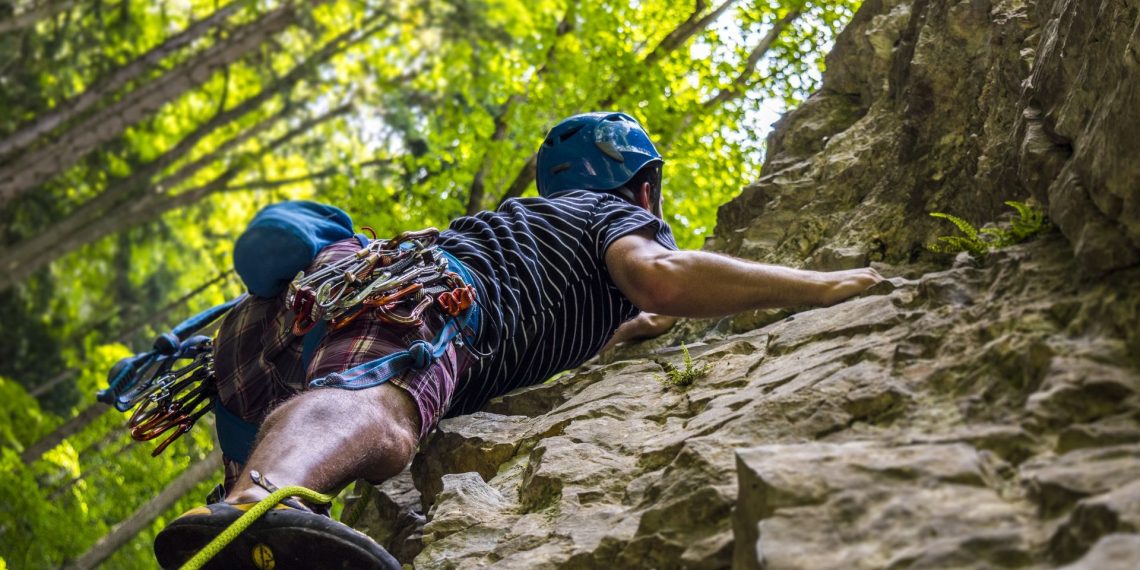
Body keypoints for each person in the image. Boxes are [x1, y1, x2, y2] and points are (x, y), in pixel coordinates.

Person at [153, 111, 882, 569]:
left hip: (285, 318)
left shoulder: (536, 237)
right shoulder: (611, 216)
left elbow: (621, 318)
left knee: (299, 438)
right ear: (642, 188)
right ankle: (261, 502)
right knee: (381, 411)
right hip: (423, 294)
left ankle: (241, 509)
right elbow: (659, 279)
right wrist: (820, 286)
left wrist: (639, 328)